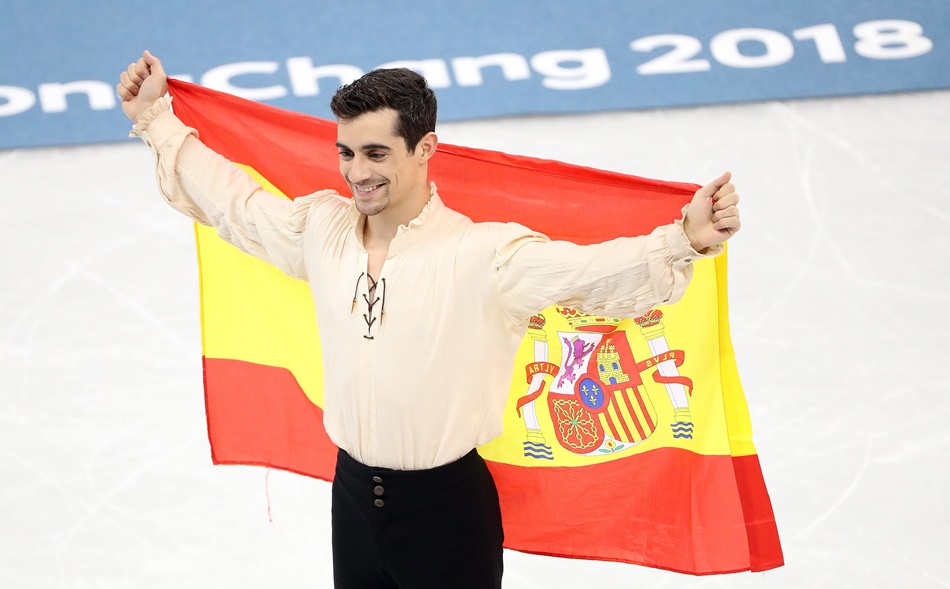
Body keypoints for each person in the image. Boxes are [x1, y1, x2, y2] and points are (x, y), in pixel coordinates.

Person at [117, 50, 740, 589]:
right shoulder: (321, 228)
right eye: (347, 153)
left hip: (447, 514)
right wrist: (158, 120)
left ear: (426, 149)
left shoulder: (484, 255)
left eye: (377, 153)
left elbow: (588, 271)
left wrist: (684, 238)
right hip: (353, 500)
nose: (358, 172)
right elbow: (237, 203)